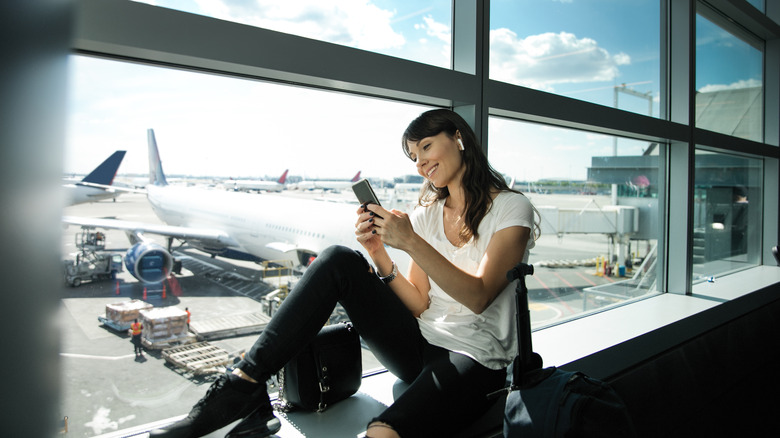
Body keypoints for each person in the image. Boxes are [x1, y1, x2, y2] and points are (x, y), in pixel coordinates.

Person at [149, 109, 539, 438]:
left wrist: (411, 242)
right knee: (338, 258)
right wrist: (378, 253)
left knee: (381, 432)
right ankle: (243, 387)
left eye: (425, 147)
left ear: (458, 138)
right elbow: (420, 305)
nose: (419, 163)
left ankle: (245, 399)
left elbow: (479, 296)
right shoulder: (426, 215)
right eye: (412, 157)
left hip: (476, 358)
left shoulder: (510, 208)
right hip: (419, 345)